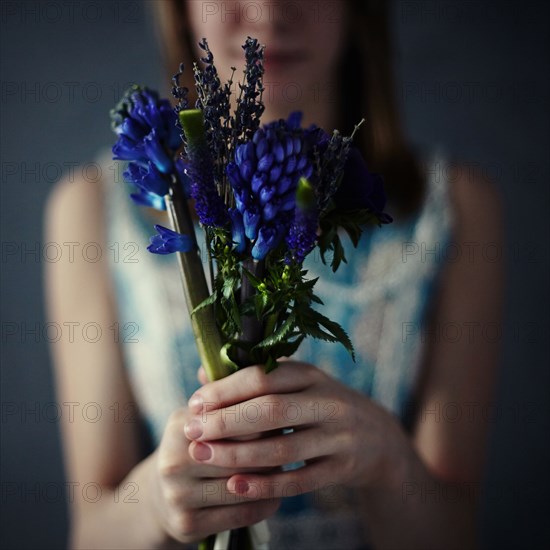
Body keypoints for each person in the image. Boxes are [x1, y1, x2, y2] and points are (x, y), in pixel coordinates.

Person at [44, 1, 503, 548]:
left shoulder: (458, 209)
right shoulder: (88, 209)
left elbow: (453, 534)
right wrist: (156, 502)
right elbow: (90, 532)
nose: (268, 12)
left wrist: (387, 462)